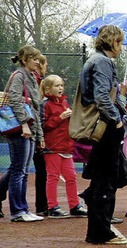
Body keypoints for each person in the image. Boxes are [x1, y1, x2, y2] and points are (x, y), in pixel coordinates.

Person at [77, 25, 127, 245]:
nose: (121, 47)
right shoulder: (102, 62)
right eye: (120, 42)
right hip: (106, 127)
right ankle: (100, 232)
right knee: (106, 179)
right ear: (113, 41)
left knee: (104, 177)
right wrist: (116, 118)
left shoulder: (95, 60)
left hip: (104, 126)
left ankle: (99, 227)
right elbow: (101, 96)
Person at [0, 45, 45, 222]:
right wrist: (24, 124)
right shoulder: (18, 76)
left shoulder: (32, 77)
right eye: (34, 59)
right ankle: (17, 211)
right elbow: (15, 101)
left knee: (24, 171)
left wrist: (39, 135)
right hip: (20, 130)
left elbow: (35, 107)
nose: (37, 62)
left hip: (31, 129)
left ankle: (23, 209)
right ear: (25, 60)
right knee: (19, 170)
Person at [39, 75, 88, 218]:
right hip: (52, 146)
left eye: (61, 85)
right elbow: (42, 125)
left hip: (66, 146)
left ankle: (74, 205)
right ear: (48, 88)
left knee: (71, 176)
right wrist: (60, 118)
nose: (60, 88)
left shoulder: (65, 103)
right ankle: (52, 207)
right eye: (56, 86)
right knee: (53, 176)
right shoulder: (45, 104)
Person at [32, 53, 48, 216]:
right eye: (44, 64)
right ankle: (41, 205)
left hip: (33, 129)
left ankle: (42, 205)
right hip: (30, 129)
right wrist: (40, 136)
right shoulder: (32, 80)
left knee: (19, 168)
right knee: (19, 168)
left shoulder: (35, 81)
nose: (46, 68)